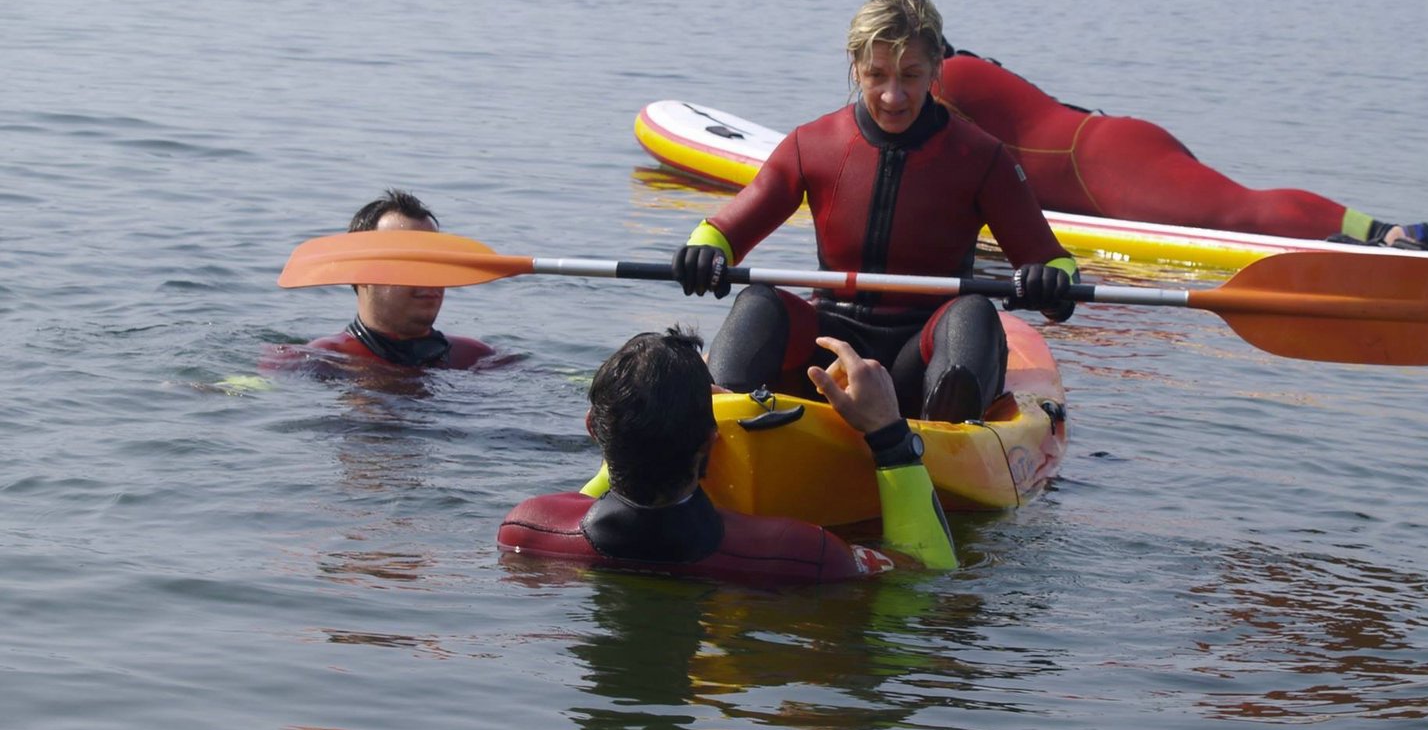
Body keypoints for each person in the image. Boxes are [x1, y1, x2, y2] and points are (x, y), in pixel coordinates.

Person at [670, 0, 1079, 426]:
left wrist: (1052, 281)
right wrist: (704, 250)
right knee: (758, 302)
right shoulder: (813, 144)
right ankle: (718, 425)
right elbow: (726, 230)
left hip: (923, 355)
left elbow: (1053, 260)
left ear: (936, 68)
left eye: (910, 75)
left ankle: (948, 441)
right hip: (827, 355)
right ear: (855, 66)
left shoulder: (982, 158)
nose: (892, 95)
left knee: (974, 311)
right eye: (876, 75)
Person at [498, 327, 958, 583]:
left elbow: (585, 505)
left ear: (593, 432)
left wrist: (630, 430)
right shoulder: (803, 553)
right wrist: (889, 437)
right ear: (713, 440)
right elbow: (926, 575)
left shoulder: (528, 529)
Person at [936, 49, 1428, 249]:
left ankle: (1387, 237)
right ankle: (1380, 234)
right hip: (1113, 148)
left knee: (1241, 211)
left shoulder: (947, 80)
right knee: (1240, 206)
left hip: (1110, 169)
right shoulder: (958, 71)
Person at [288, 190, 496, 371]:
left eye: (434, 261)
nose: (428, 277)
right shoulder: (317, 361)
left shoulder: (476, 358)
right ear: (361, 273)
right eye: (406, 262)